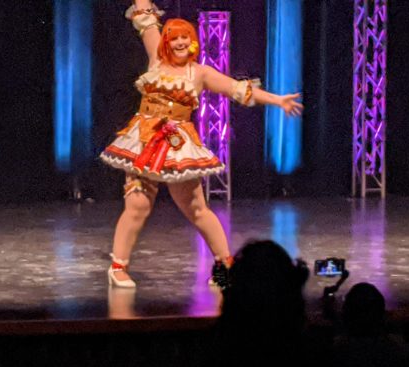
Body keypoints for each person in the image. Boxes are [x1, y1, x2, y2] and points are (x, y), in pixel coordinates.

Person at [100, 1, 303, 287]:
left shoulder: (200, 73)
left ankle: (224, 267)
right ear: (167, 42)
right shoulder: (156, 59)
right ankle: (118, 267)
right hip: (144, 140)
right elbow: (145, 16)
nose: (180, 42)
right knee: (137, 205)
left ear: (193, 41)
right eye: (175, 38)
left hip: (177, 145)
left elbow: (238, 90)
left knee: (196, 209)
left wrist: (277, 100)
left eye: (186, 37)